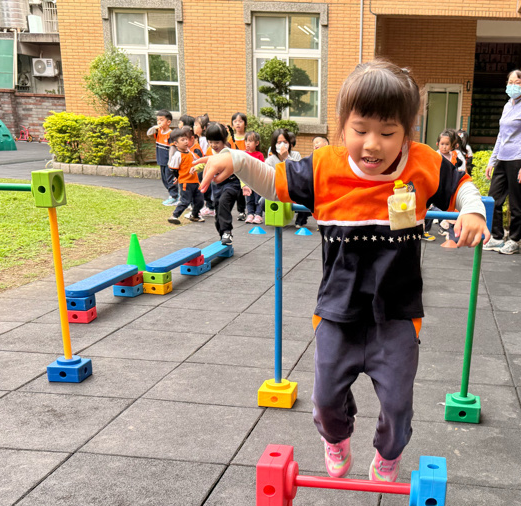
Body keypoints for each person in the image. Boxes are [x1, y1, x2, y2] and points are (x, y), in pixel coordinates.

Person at [201, 59, 488, 482]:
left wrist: (473, 210)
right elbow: (274, 181)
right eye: (360, 130)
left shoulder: (422, 164)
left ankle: (389, 452)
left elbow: (461, 185)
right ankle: (336, 438)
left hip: (397, 314)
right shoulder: (325, 167)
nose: (372, 145)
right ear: (342, 126)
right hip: (338, 310)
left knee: (398, 405)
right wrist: (237, 159)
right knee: (325, 399)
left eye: (388, 133)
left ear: (407, 132)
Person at [484, 69, 521, 255]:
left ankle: (514, 240)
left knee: (516, 203)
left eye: (517, 83)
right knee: (493, 199)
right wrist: (492, 160)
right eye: (510, 82)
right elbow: (501, 135)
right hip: (502, 159)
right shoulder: (508, 105)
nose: (513, 86)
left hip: (517, 160)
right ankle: (497, 237)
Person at [265, 128, 307, 228]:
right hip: (278, 190)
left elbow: (299, 173)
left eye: (285, 142)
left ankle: (300, 220)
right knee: (263, 202)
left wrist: (286, 158)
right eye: (279, 142)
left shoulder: (295, 155)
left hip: (294, 189)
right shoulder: (270, 160)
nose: (282, 145)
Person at [167, 128, 204, 225]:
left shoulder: (190, 152)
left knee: (200, 200)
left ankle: (194, 215)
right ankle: (174, 216)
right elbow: (173, 169)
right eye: (182, 140)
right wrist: (178, 178)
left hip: (195, 181)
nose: (186, 142)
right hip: (185, 183)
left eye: (186, 139)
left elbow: (197, 160)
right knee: (185, 201)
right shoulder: (178, 155)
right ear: (176, 143)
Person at [147, 109, 177, 205]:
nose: (159, 122)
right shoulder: (158, 132)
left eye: (161, 120)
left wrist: (171, 162)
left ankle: (174, 196)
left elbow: (172, 149)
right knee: (164, 180)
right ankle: (173, 195)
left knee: (170, 179)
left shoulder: (171, 134)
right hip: (161, 161)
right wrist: (155, 127)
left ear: (168, 122)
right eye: (158, 120)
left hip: (168, 162)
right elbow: (148, 133)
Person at [243, 131, 265, 224]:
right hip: (248, 181)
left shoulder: (259, 155)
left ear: (257, 143)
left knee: (258, 199)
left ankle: (258, 215)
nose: (247, 143)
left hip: (257, 181)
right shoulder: (244, 154)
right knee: (249, 199)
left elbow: (262, 168)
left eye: (250, 141)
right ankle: (250, 214)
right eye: (246, 141)